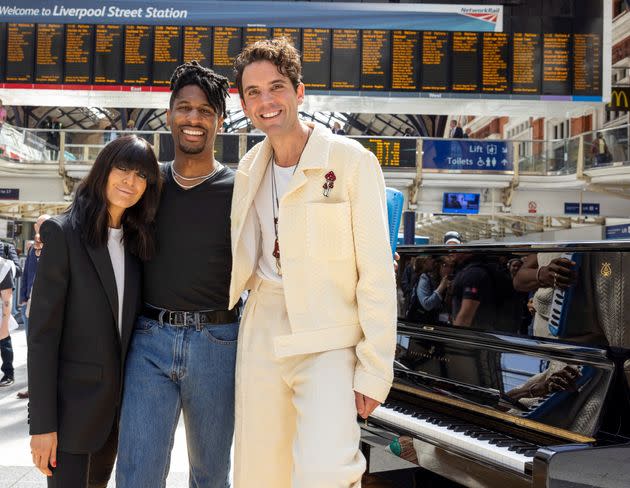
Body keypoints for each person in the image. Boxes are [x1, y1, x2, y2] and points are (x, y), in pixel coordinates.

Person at [230, 38, 396, 487]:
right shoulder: (248, 168)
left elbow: (377, 272)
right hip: (263, 328)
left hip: (328, 338)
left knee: (325, 471)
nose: (266, 101)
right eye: (253, 92)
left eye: (276, 87)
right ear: (243, 101)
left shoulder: (350, 162)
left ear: (299, 92)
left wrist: (375, 368)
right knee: (259, 468)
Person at [115, 61, 238, 488]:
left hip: (219, 344)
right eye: (184, 108)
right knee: (137, 473)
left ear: (219, 122)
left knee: (210, 475)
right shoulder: (147, 186)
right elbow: (100, 223)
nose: (193, 119)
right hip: (149, 339)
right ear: (168, 115)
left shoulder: (241, 190)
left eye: (205, 111)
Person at [27, 135, 161, 487]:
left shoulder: (136, 242)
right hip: (71, 415)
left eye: (141, 176)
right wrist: (42, 425)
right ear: (104, 169)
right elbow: (42, 336)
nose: (130, 182)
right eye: (123, 169)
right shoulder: (63, 233)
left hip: (116, 415)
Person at [16, 214, 51, 399]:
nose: (41, 227)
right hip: (29, 304)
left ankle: (45, 387)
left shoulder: (56, 247)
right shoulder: (31, 249)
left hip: (46, 306)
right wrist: (22, 298)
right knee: (32, 347)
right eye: (38, 224)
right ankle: (33, 386)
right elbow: (27, 274)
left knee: (47, 347)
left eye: (44, 224)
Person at [0, 255, 17, 387]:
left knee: (4, 341)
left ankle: (8, 373)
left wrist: (5, 324)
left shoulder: (3, 266)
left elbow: (7, 298)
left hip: (0, 313)